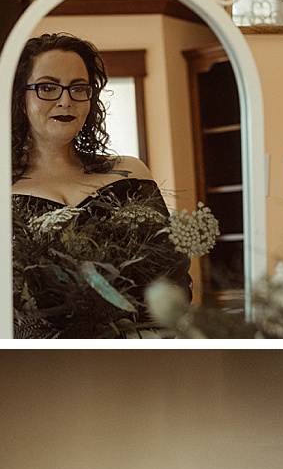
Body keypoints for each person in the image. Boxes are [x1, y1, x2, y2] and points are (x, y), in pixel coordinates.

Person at [11, 32, 192, 333]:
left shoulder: (131, 171)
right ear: (20, 97)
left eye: (78, 88)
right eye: (47, 88)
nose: (65, 100)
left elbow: (175, 277)